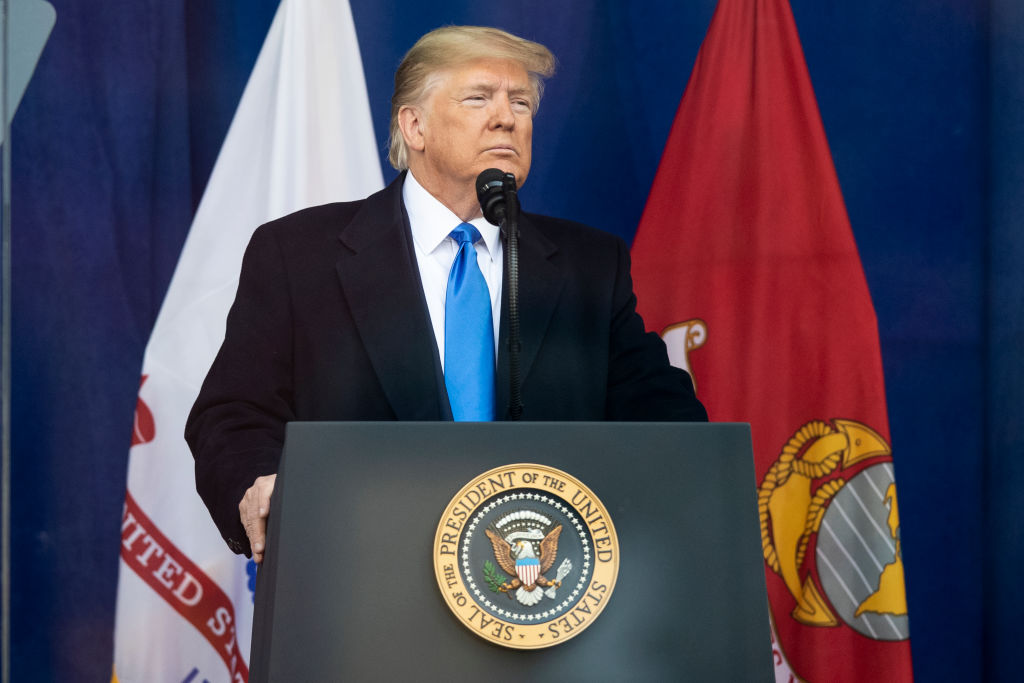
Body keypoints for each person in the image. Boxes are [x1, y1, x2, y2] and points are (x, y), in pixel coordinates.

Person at [185, 26, 707, 565]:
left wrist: (691, 484)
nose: (507, 117)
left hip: (542, 590)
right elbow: (233, 412)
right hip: (361, 577)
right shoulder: (301, 255)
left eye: (521, 102)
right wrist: (262, 485)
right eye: (479, 97)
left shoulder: (588, 267)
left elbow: (663, 417)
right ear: (414, 125)